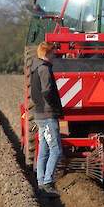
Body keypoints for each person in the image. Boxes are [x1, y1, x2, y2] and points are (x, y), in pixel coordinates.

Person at [30, 42, 62, 198]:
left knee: (44, 148)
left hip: (39, 114)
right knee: (56, 149)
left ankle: (41, 181)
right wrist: (55, 106)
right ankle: (48, 182)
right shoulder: (44, 69)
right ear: (47, 53)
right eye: (53, 53)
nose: (55, 56)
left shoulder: (35, 68)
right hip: (48, 115)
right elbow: (47, 91)